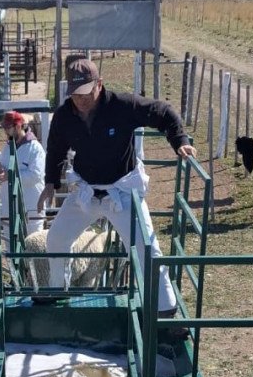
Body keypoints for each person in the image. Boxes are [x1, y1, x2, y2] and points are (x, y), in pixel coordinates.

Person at [36, 58, 196, 311]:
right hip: (85, 193)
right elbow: (56, 148)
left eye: (86, 93)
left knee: (147, 249)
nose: (81, 100)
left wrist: (180, 141)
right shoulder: (65, 115)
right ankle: (58, 288)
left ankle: (166, 309)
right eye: (75, 95)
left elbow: (163, 112)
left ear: (99, 84)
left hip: (121, 194)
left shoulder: (123, 105)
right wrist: (51, 182)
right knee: (56, 239)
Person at [0, 110, 46, 235]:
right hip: (9, 203)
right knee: (10, 239)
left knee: (33, 241)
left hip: (30, 203)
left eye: (8, 127)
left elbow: (36, 175)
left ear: (18, 126)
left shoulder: (35, 148)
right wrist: (0, 169)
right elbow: (4, 164)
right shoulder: (8, 146)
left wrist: (10, 176)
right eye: (4, 127)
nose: (5, 131)